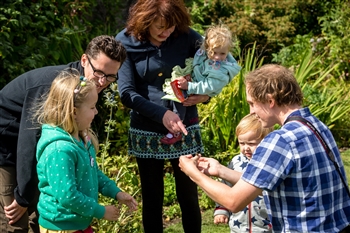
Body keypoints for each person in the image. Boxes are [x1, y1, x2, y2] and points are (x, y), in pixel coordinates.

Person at [179, 64, 350, 232]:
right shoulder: (315, 125)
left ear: (270, 101)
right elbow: (266, 181)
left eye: (252, 103)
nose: (251, 111)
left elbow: (233, 201)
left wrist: (193, 173)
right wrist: (221, 170)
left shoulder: (280, 140)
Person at [0, 35, 127, 233]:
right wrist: (22, 196)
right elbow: (28, 142)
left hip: (40, 145)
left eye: (110, 77)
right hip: (7, 142)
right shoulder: (54, 87)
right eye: (99, 72)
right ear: (84, 60)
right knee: (15, 220)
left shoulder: (85, 89)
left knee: (39, 214)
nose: (103, 82)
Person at [115, 0, 209, 232]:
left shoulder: (187, 36)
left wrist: (205, 95)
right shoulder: (125, 42)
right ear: (144, 22)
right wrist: (162, 114)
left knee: (189, 195)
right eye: (160, 27)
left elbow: (215, 67)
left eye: (171, 27)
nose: (167, 32)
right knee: (152, 197)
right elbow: (126, 93)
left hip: (185, 124)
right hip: (146, 128)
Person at [32, 71, 137, 232]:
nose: (96, 112)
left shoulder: (80, 137)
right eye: (92, 107)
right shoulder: (60, 150)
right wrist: (101, 211)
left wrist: (116, 193)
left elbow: (93, 172)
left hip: (78, 221)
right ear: (74, 112)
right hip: (61, 226)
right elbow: (68, 196)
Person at [160, 24, 241, 144]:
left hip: (201, 88)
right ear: (208, 48)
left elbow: (208, 86)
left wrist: (189, 86)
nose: (217, 57)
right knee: (173, 95)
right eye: (214, 52)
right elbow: (205, 40)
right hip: (195, 81)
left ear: (228, 52)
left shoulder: (221, 71)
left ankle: (177, 130)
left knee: (181, 104)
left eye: (223, 54)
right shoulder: (205, 51)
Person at [213, 113, 273, 232]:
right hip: (238, 227)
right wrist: (221, 209)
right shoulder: (236, 162)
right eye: (242, 143)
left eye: (251, 144)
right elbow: (225, 186)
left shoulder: (270, 164)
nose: (246, 148)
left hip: (265, 227)